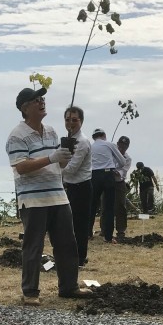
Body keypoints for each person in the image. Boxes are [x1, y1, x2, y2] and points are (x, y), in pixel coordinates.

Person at [5, 86, 92, 306]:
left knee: (67, 244)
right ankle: (30, 292)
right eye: (36, 100)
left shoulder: (52, 132)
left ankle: (69, 286)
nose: (42, 102)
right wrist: (52, 158)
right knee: (33, 246)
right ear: (25, 108)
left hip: (58, 196)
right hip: (33, 199)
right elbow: (21, 167)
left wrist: (64, 156)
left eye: (43, 99)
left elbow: (60, 165)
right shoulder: (17, 135)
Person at [61, 106, 93, 267]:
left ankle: (80, 258)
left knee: (80, 224)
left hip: (81, 187)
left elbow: (71, 169)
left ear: (81, 121)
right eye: (67, 120)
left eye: (75, 120)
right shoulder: (67, 140)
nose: (71, 123)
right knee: (69, 223)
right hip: (70, 187)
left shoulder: (82, 142)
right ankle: (71, 255)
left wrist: (55, 170)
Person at [89, 128, 126, 243]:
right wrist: (113, 165)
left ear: (94, 137)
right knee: (109, 206)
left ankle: (88, 233)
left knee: (92, 205)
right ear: (104, 135)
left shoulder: (90, 146)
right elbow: (122, 162)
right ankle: (108, 237)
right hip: (107, 174)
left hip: (93, 175)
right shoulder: (110, 145)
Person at [114, 136, 132, 241]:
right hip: (108, 181)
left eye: (124, 147)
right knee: (106, 205)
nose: (122, 148)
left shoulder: (127, 158)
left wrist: (117, 172)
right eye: (120, 146)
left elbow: (124, 171)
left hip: (119, 182)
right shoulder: (111, 152)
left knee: (121, 206)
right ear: (117, 144)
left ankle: (121, 230)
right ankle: (105, 229)